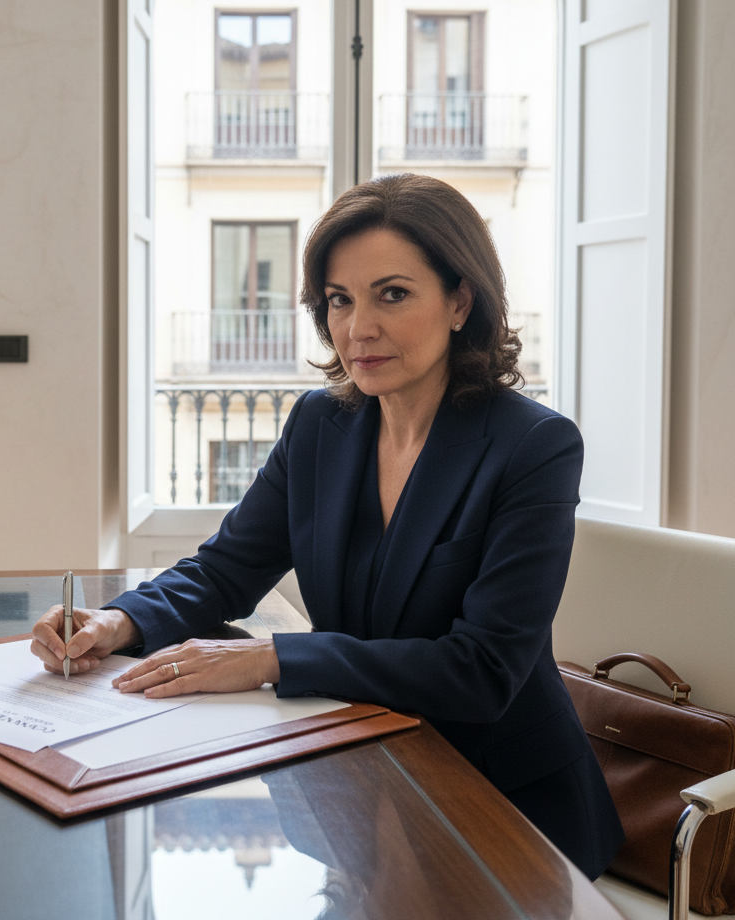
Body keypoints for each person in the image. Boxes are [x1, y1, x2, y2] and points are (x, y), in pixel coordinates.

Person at [31, 173, 625, 879]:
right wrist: (116, 624)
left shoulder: (534, 447)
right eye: (339, 300)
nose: (358, 328)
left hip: (501, 806)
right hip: (359, 775)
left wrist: (274, 657)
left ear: (461, 300)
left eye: (393, 294)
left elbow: (483, 671)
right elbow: (225, 570)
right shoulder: (322, 425)